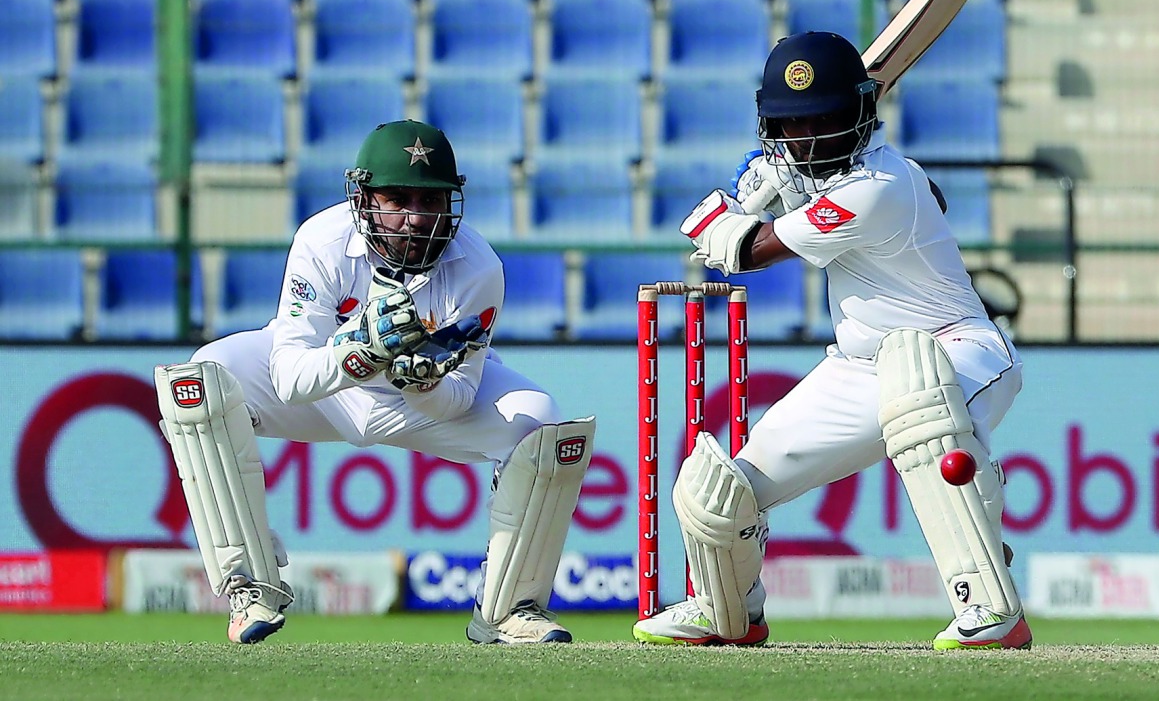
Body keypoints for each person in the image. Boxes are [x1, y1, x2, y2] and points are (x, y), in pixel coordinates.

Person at [632, 32, 1029, 651]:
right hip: (857, 367)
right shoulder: (822, 180)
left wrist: (729, 214)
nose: (808, 137)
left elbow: (748, 252)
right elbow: (792, 205)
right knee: (721, 494)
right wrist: (773, 188)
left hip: (959, 349)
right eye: (793, 125)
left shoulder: (882, 185)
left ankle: (989, 604)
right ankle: (727, 610)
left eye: (824, 120)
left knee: (920, 406)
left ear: (861, 116)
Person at [154, 120, 595, 645]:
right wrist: (363, 350)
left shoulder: (479, 269)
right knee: (204, 380)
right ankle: (250, 587)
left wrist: (422, 382)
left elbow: (457, 400)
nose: (415, 218)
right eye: (398, 198)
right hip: (326, 389)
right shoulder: (322, 240)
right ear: (363, 198)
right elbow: (290, 377)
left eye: (431, 200)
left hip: (417, 404)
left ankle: (509, 610)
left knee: (542, 424)